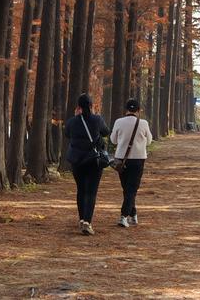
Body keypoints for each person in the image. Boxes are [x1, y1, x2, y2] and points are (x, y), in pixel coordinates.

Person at [65, 93, 110, 235]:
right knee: (91, 191)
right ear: (91, 106)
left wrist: (76, 116)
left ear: (78, 107)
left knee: (81, 190)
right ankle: (87, 221)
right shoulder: (97, 120)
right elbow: (105, 132)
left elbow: (67, 134)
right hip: (93, 161)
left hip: (77, 161)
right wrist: (95, 115)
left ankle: (81, 219)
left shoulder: (72, 121)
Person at [110, 98, 153, 228]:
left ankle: (129, 215)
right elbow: (150, 141)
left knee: (127, 188)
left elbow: (113, 140)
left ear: (126, 109)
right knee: (131, 188)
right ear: (138, 110)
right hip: (138, 158)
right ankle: (127, 216)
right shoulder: (143, 123)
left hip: (121, 159)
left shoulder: (119, 122)